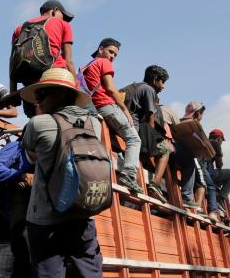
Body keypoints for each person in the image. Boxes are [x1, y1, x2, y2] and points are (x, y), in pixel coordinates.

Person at [19, 68, 116, 278]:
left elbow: (31, 157)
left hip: (45, 220)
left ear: (56, 95)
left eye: (41, 95)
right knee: (91, 256)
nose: (37, 102)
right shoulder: (95, 123)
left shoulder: (38, 125)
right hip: (82, 213)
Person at [82, 38, 142, 194]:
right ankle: (129, 174)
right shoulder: (104, 63)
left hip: (94, 107)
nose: (112, 56)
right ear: (101, 49)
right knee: (134, 139)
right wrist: (125, 110)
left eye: (115, 54)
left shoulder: (86, 66)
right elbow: (110, 88)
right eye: (110, 52)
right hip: (107, 106)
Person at [11, 0, 75, 117]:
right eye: (63, 15)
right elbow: (68, 61)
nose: (64, 20)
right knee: (89, 111)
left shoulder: (19, 29)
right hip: (56, 80)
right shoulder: (63, 25)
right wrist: (75, 87)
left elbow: (13, 61)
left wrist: (13, 92)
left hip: (30, 88)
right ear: (55, 11)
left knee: (37, 126)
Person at [122, 65, 171, 203]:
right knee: (165, 149)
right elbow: (150, 117)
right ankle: (155, 185)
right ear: (155, 79)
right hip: (137, 127)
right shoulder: (149, 89)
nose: (163, 86)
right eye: (162, 82)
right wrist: (151, 140)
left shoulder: (132, 86)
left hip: (127, 125)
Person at [179, 102, 221, 221]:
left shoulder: (180, 122)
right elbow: (205, 147)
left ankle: (199, 207)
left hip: (185, 156)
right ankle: (210, 210)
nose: (202, 116)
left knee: (203, 183)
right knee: (207, 184)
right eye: (202, 113)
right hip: (195, 158)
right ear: (197, 113)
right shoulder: (194, 125)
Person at [207, 129, 230, 209]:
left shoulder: (204, 142)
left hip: (201, 171)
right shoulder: (215, 144)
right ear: (219, 138)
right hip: (209, 173)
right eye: (222, 140)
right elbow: (219, 165)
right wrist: (220, 154)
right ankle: (220, 198)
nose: (221, 142)